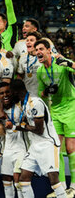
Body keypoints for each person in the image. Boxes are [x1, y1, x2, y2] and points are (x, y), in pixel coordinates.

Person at [10, 79, 66, 198]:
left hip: (48, 144)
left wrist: (24, 125)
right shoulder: (24, 104)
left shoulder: (35, 103)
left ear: (16, 92)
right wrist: (15, 127)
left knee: (53, 179)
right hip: (35, 146)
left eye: (11, 92)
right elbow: (29, 127)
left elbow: (39, 130)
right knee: (23, 179)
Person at [35, 39, 75, 197]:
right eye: (36, 50)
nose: (38, 52)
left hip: (71, 107)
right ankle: (62, 188)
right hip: (55, 111)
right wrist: (46, 91)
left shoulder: (61, 63)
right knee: (56, 147)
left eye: (41, 49)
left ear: (48, 50)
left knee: (71, 148)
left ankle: (74, 186)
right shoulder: (40, 72)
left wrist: (68, 63)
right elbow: (40, 93)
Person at [0, 82, 27, 198]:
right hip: (7, 149)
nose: (5, 95)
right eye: (1, 93)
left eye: (7, 92)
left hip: (21, 148)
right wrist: (1, 104)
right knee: (6, 179)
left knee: (17, 179)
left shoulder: (20, 105)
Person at [16, 31, 43, 96]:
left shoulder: (44, 57)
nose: (28, 42)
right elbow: (20, 76)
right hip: (28, 95)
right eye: (27, 40)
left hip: (42, 95)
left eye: (31, 40)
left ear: (38, 43)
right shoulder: (23, 58)